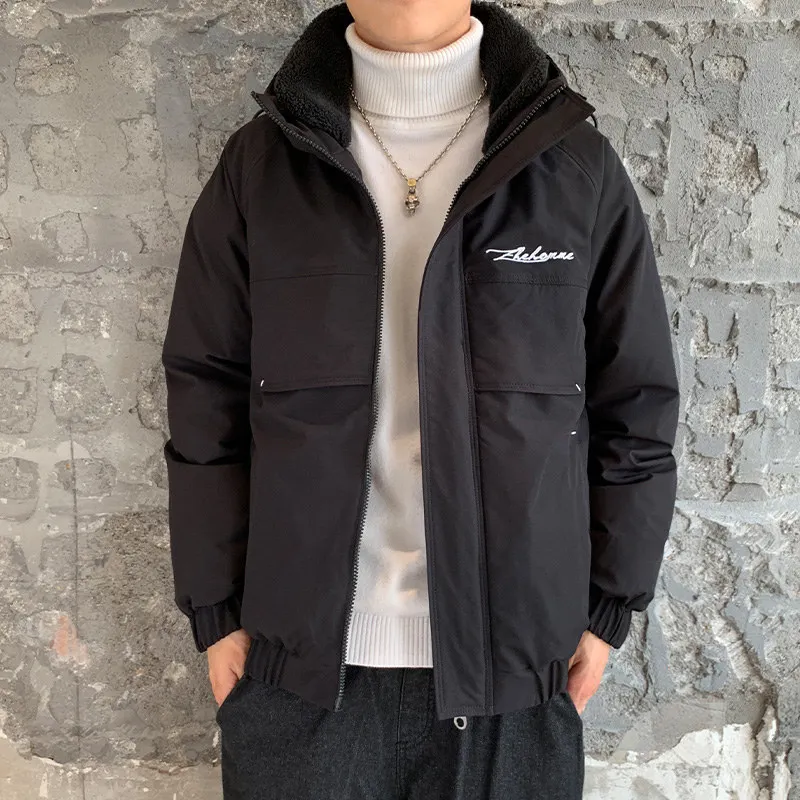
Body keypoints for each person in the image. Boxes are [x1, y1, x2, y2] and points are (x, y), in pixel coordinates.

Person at [160, 0, 680, 797]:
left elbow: (634, 402)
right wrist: (216, 613)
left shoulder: (572, 166)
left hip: (517, 673)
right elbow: (206, 393)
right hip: (295, 673)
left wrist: (610, 610)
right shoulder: (261, 168)